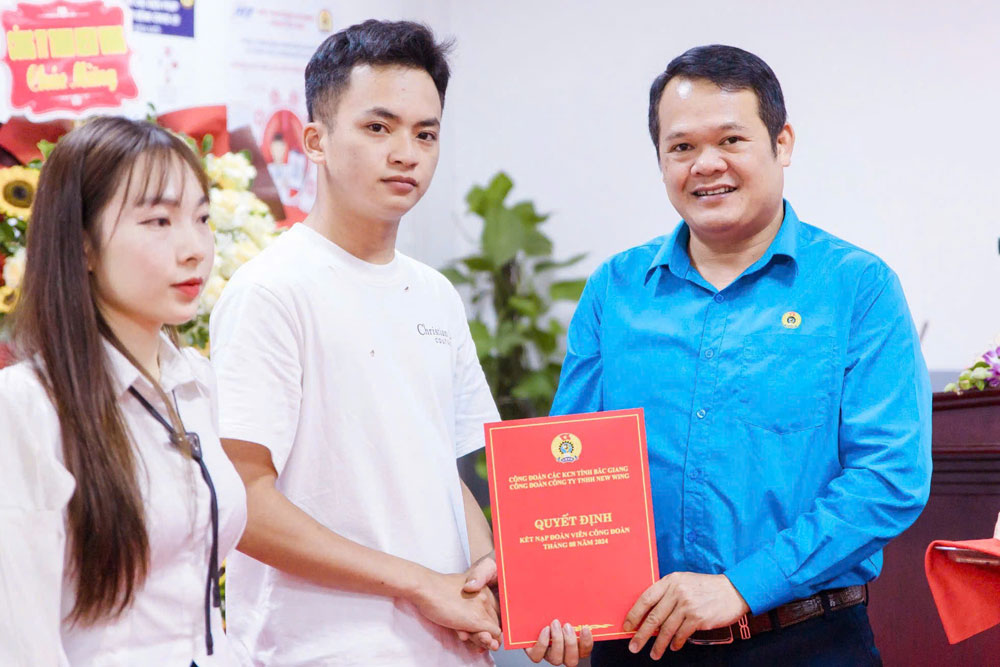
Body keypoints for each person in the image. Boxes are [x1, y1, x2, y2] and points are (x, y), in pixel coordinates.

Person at [473, 44, 932, 666]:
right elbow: (568, 464)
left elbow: (889, 477)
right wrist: (541, 582)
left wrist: (743, 586)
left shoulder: (857, 287)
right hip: (637, 644)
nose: (706, 164)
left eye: (731, 140)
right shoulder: (616, 289)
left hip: (806, 643)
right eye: (682, 147)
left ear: (782, 143)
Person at [209, 20, 502, 666]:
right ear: (315, 140)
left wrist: (487, 580)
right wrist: (419, 583)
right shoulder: (271, 290)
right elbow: (242, 501)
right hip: (318, 649)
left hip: (447, 648)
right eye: (378, 127)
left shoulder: (435, 294)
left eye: (425, 134)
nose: (406, 153)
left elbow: (443, 473)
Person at [0, 117, 247, 666]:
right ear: (82, 244)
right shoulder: (27, 406)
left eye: (202, 218)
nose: (194, 248)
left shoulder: (196, 381)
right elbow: (21, 644)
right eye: (159, 221)